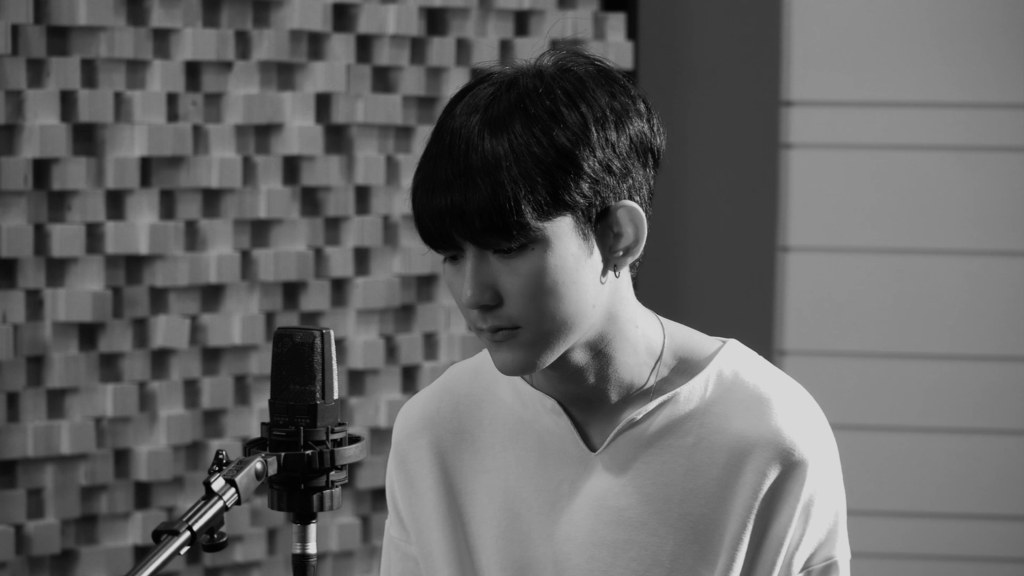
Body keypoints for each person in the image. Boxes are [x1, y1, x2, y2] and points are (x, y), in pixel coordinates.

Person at [380, 48, 850, 575]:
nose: (473, 294)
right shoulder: (435, 429)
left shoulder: (765, 433)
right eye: (451, 255)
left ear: (618, 237)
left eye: (508, 248)